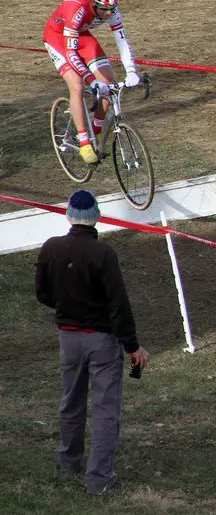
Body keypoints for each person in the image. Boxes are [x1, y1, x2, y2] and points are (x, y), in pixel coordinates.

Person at [35, 190, 149, 495]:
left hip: (68, 338)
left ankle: (69, 462)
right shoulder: (103, 254)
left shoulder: (50, 248)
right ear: (95, 216)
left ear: (69, 216)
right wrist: (132, 345)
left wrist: (67, 308)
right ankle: (99, 479)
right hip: (101, 341)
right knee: (104, 409)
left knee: (71, 401)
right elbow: (118, 305)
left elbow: (43, 294)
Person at [43, 0, 142, 164]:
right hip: (57, 36)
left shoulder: (111, 10)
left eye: (112, 9)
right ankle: (84, 142)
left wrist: (131, 71)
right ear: (93, 3)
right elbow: (71, 53)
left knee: (109, 85)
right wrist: (91, 80)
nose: (108, 13)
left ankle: (96, 136)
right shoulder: (77, 10)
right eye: (103, 9)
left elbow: (122, 42)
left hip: (81, 35)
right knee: (77, 86)